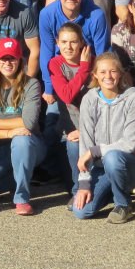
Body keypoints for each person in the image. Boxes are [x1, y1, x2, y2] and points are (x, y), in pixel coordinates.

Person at [72, 52, 135, 223]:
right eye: (102, 72)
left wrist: (95, 151)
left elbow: (131, 143)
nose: (108, 76)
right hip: (102, 168)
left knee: (112, 156)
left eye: (113, 71)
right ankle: (110, 190)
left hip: (133, 163)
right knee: (82, 211)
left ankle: (123, 205)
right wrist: (84, 183)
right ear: (95, 75)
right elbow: (85, 142)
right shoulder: (89, 99)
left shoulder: (133, 97)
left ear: (121, 74)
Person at [0, 38, 44, 215]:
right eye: (3, 59)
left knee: (21, 140)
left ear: (20, 59)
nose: (7, 63)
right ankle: (15, 177)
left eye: (12, 58)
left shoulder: (31, 84)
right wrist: (10, 132)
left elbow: (28, 123)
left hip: (29, 144)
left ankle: (22, 197)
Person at [38, 0, 110, 95]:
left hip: (90, 70)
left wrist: (102, 84)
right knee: (54, 112)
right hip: (60, 71)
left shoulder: (96, 15)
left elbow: (102, 53)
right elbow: (46, 50)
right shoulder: (47, 14)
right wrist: (49, 88)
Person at [48, 23, 93, 199]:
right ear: (57, 43)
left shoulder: (95, 62)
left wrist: (87, 65)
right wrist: (84, 68)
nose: (68, 47)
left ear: (81, 42)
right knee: (73, 146)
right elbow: (66, 95)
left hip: (92, 127)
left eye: (73, 42)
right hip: (69, 128)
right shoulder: (56, 63)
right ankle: (77, 193)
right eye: (64, 42)